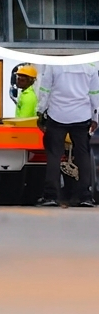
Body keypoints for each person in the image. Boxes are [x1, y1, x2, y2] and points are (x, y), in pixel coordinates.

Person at [35, 64, 99, 207]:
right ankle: (85, 196)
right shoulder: (90, 67)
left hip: (57, 115)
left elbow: (45, 90)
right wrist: (95, 118)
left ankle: (51, 196)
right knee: (83, 155)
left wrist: (40, 111)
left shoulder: (54, 65)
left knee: (54, 155)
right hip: (82, 116)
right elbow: (95, 94)